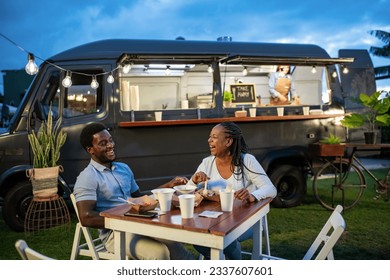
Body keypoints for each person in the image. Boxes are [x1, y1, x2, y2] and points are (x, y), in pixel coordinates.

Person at [73, 122, 195, 260]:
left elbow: (139, 198)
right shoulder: (87, 177)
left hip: (138, 223)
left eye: (111, 140)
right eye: (103, 143)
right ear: (91, 149)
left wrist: (169, 185)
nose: (110, 146)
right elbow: (86, 217)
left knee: (171, 240)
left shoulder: (123, 168)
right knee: (159, 253)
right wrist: (125, 221)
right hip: (115, 233)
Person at [187, 121, 277, 260]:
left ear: (228, 141)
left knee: (223, 236)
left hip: (246, 220)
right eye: (210, 136)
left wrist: (252, 196)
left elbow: (270, 189)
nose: (209, 140)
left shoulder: (247, 160)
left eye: (215, 137)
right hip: (213, 218)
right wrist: (193, 181)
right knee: (196, 237)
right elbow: (187, 193)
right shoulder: (206, 163)